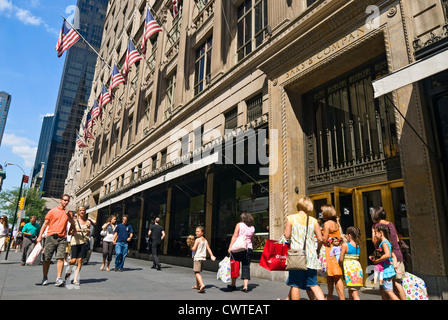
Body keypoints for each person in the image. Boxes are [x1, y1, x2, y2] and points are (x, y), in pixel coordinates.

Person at [283, 197, 325, 300]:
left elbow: (287, 235)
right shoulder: (314, 221)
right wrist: (318, 250)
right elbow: (320, 239)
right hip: (310, 256)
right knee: (313, 284)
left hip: (296, 255)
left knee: (295, 284)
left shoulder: (291, 218)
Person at [36, 194, 76, 287]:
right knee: (47, 259)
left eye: (68, 201)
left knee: (61, 258)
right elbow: (45, 224)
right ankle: (45, 277)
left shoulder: (69, 213)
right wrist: (40, 236)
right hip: (51, 237)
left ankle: (58, 278)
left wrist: (68, 216)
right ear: (60, 200)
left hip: (62, 238)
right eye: (65, 200)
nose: (66, 202)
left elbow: (73, 223)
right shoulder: (52, 211)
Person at [370, 206, 406, 300]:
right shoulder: (390, 224)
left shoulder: (377, 226)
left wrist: (373, 231)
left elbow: (375, 242)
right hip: (397, 255)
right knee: (397, 283)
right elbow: (397, 239)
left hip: (387, 261)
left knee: (386, 287)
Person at [321, 204, 345, 300]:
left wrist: (318, 232)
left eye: (322, 211)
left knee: (335, 276)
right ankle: (330, 296)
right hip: (337, 250)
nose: (321, 213)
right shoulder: (335, 223)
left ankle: (340, 298)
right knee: (332, 275)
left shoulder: (327, 224)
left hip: (330, 251)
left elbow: (325, 240)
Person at [227, 212, 255, 293]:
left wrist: (230, 247)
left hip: (238, 248)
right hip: (248, 248)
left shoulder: (239, 225)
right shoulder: (252, 228)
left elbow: (235, 236)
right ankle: (245, 286)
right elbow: (252, 239)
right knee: (246, 266)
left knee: (235, 265)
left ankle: (233, 284)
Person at [371, 224, 400, 300]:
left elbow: (388, 255)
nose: (375, 235)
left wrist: (377, 260)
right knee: (383, 290)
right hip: (385, 271)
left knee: (389, 291)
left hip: (386, 271)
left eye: (376, 233)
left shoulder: (384, 243)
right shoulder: (386, 242)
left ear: (381, 233)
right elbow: (393, 256)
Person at [65, 206, 91, 286]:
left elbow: (89, 233)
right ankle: (69, 271)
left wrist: (88, 231)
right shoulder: (74, 221)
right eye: (80, 210)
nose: (82, 212)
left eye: (83, 210)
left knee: (80, 260)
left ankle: (75, 278)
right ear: (78, 212)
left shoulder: (88, 222)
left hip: (83, 241)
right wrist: (76, 231)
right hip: (75, 242)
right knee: (73, 260)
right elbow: (69, 233)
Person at [339, 226, 363, 300]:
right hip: (358, 269)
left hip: (350, 271)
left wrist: (340, 266)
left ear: (349, 235)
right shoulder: (358, 246)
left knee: (354, 293)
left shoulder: (345, 245)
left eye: (346, 234)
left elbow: (341, 258)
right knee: (351, 290)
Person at [190, 226, 216, 293]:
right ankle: (197, 285)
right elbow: (208, 248)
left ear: (202, 232)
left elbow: (194, 249)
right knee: (198, 271)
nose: (196, 233)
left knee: (196, 272)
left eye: (198, 231)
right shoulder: (205, 240)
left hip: (197, 258)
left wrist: (190, 245)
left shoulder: (197, 240)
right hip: (203, 258)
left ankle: (201, 285)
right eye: (196, 231)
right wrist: (212, 255)